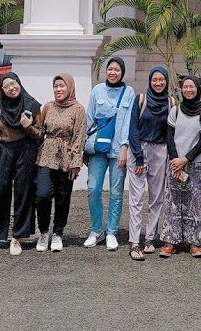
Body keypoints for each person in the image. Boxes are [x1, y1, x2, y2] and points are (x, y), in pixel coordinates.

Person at [0, 72, 41, 256]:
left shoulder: (31, 105)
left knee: (23, 193)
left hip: (26, 151)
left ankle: (17, 238)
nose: (12, 88)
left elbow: (40, 134)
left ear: (19, 83)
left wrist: (27, 125)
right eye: (7, 86)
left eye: (14, 84)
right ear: (2, 90)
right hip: (4, 151)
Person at [84, 57, 136, 251]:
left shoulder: (128, 92)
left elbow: (129, 121)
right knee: (93, 189)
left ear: (122, 72)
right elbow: (89, 119)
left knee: (116, 192)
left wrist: (125, 147)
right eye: (110, 69)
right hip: (97, 148)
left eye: (116, 69)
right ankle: (97, 230)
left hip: (118, 151)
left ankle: (112, 232)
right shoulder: (97, 90)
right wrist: (86, 146)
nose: (113, 72)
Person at [160, 75, 201, 259]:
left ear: (198, 89)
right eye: (185, 87)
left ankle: (194, 242)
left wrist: (186, 160)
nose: (188, 90)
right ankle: (170, 241)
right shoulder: (175, 111)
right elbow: (169, 137)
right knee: (172, 203)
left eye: (192, 87)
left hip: (194, 164)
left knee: (193, 203)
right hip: (174, 164)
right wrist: (175, 161)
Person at [33, 74, 86, 252]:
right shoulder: (47, 107)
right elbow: (39, 132)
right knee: (43, 194)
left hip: (67, 157)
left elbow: (79, 136)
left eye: (62, 86)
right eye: (56, 86)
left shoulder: (78, 109)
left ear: (69, 87)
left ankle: (58, 233)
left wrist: (76, 161)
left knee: (63, 197)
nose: (58, 89)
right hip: (47, 154)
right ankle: (44, 232)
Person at [127, 65, 171, 261]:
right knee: (136, 198)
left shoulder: (171, 102)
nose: (158, 83)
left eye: (162, 79)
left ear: (167, 81)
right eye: (155, 80)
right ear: (150, 81)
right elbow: (132, 129)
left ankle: (150, 238)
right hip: (139, 149)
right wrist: (138, 156)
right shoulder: (140, 99)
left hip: (160, 151)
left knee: (156, 197)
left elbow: (172, 133)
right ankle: (135, 242)